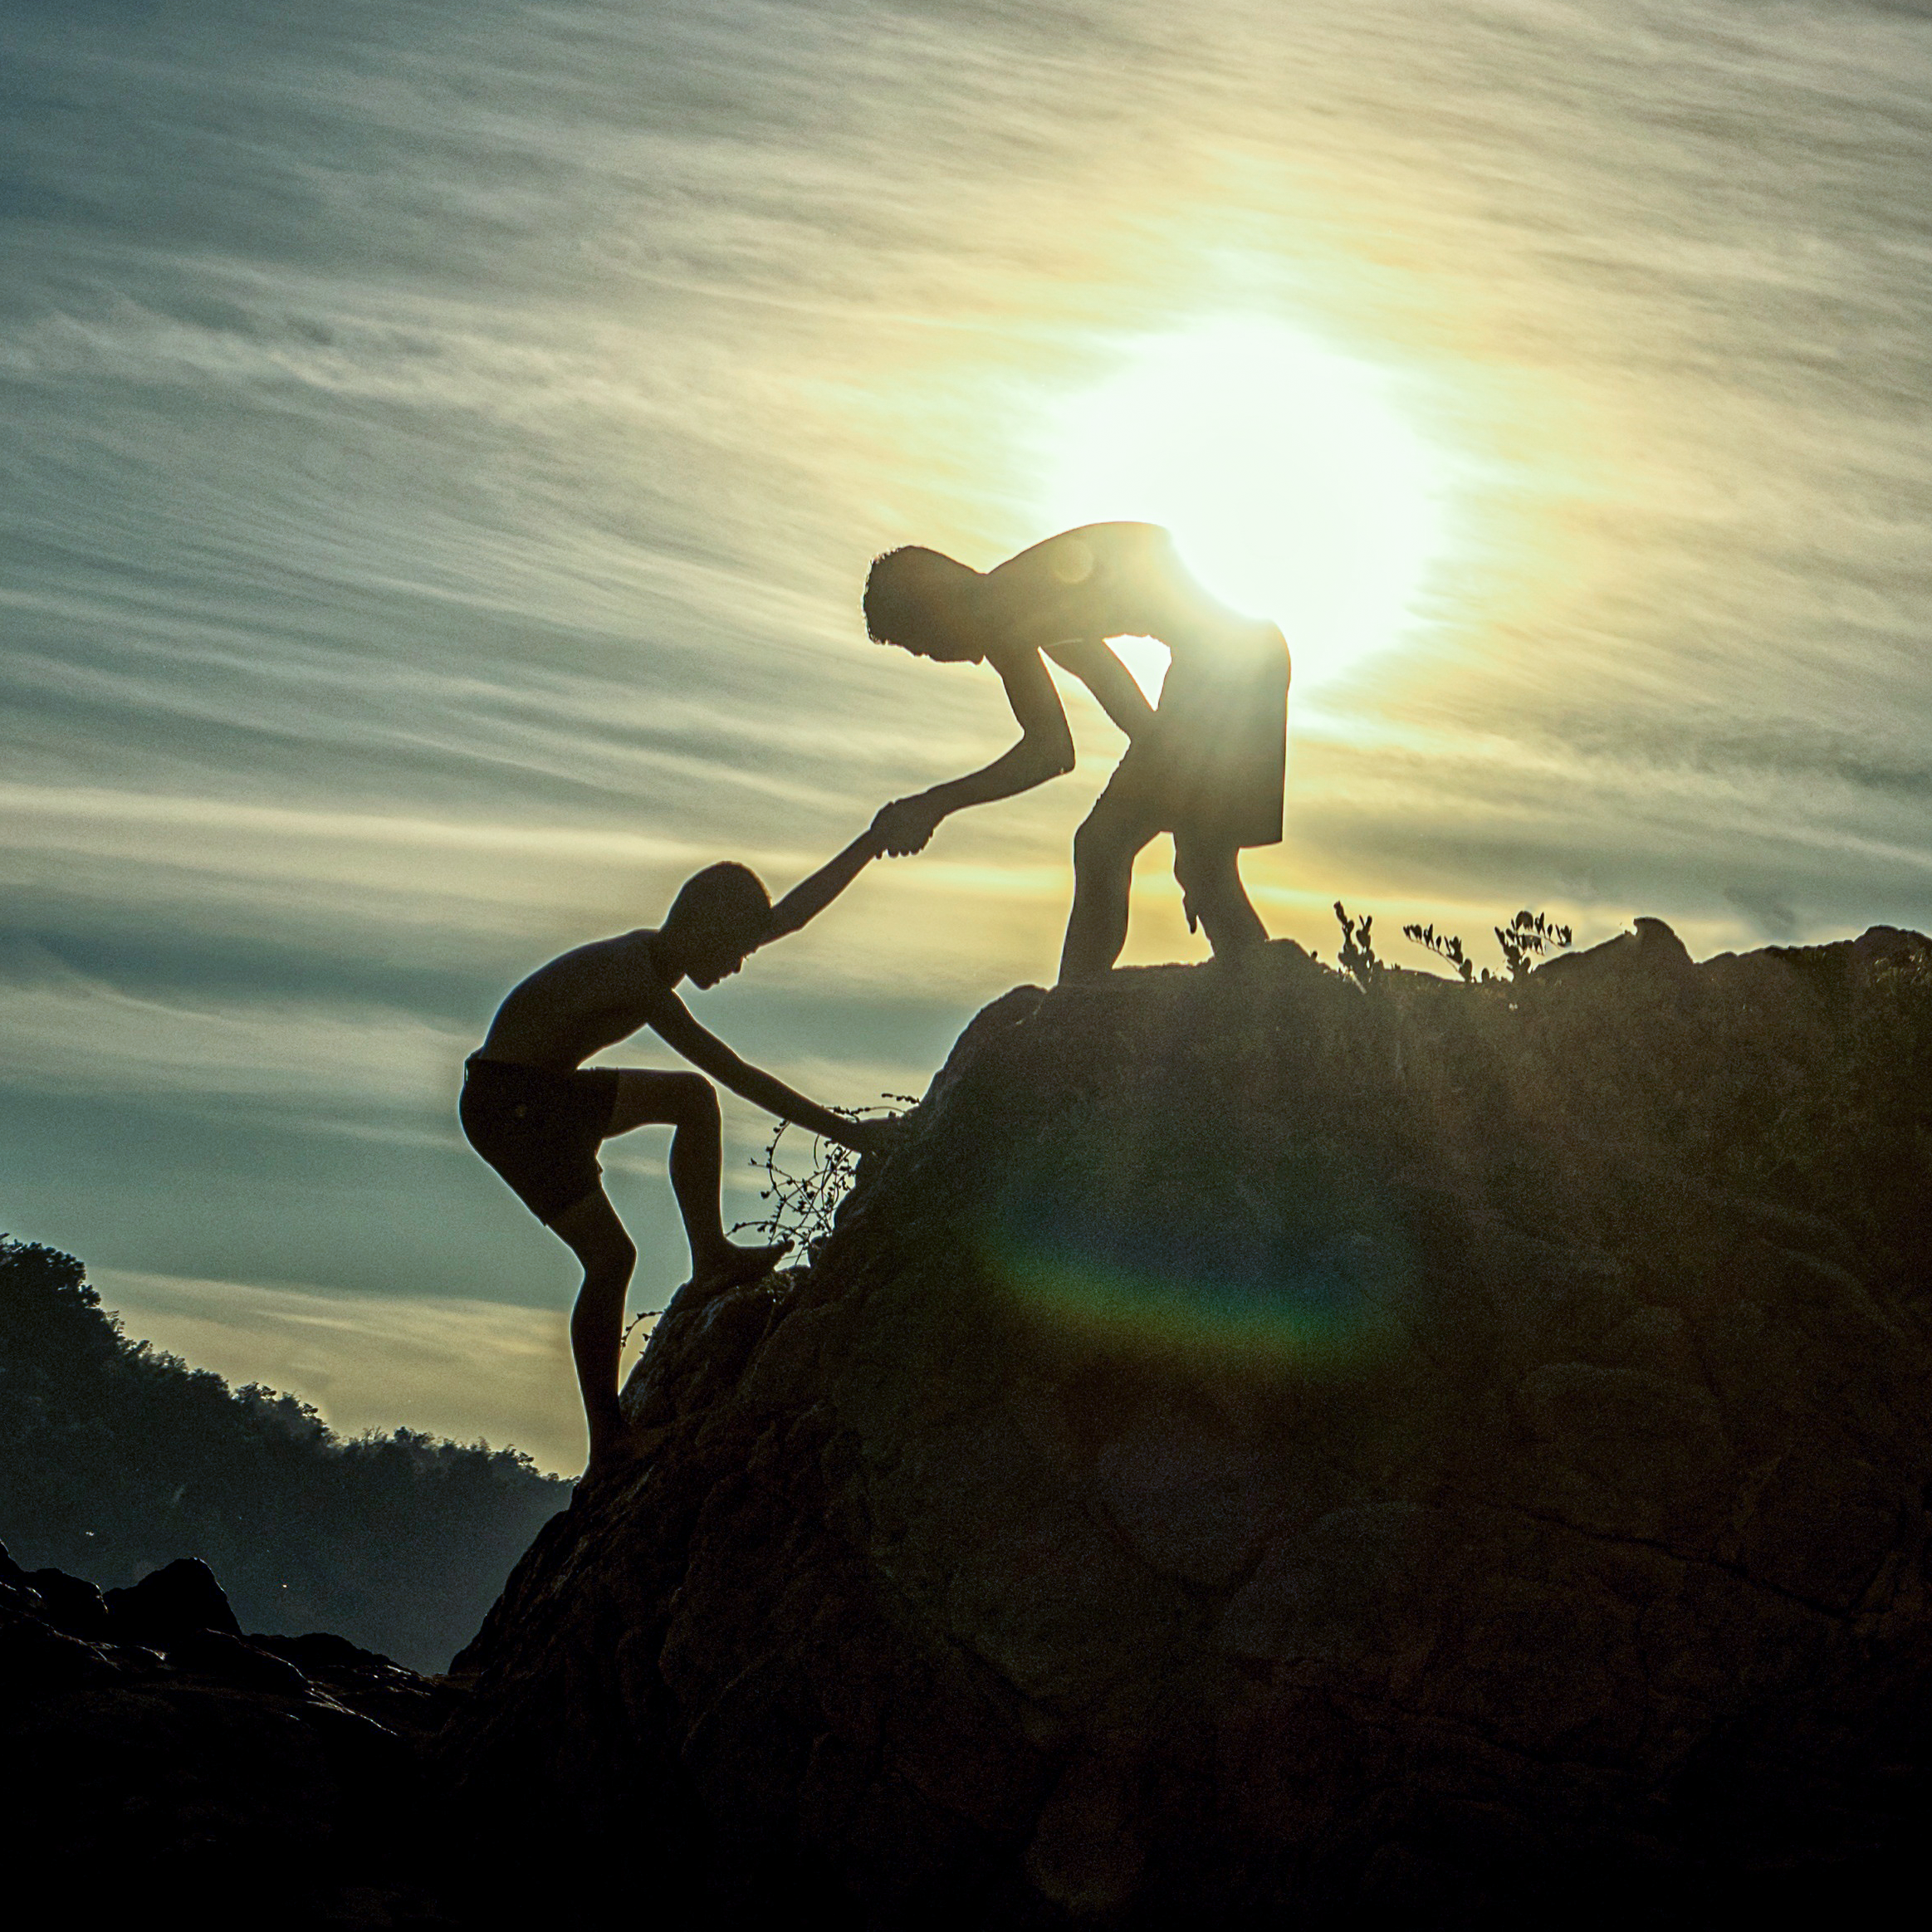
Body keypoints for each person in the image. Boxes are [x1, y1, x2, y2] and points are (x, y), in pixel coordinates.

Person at [460, 829, 894, 1471]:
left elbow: (789, 917)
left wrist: (871, 841)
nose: (739, 965)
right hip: (511, 1106)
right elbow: (734, 1071)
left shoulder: (659, 955)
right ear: (704, 927)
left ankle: (710, 1256)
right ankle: (609, 1440)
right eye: (736, 950)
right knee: (611, 1258)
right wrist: (849, 1132)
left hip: (541, 1091)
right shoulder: (636, 977)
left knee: (690, 1100)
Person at [862, 522, 1289, 983]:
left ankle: (1074, 1005)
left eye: (921, 644)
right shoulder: (1021, 600)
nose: (932, 655)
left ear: (934, 607)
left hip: (1226, 672)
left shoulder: (1000, 609)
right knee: (1200, 868)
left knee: (1105, 847)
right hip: (1246, 660)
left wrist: (933, 805)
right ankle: (1266, 999)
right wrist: (1181, 804)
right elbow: (1128, 714)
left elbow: (1050, 751)